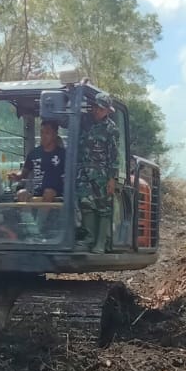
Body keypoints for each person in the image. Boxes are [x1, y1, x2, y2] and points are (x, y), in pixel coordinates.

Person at [76, 92, 120, 252]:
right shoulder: (84, 120)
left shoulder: (111, 129)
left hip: (101, 174)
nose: (98, 111)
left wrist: (111, 178)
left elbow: (114, 156)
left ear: (107, 111)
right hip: (83, 172)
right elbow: (66, 122)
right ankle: (89, 239)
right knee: (86, 203)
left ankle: (101, 243)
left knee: (104, 207)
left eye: (102, 109)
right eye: (97, 108)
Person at [19, 120, 66, 203]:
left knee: (48, 193)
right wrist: (16, 176)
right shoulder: (33, 154)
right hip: (36, 192)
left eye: (47, 133)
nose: (43, 136)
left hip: (57, 193)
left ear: (55, 135)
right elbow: (23, 174)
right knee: (21, 193)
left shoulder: (63, 154)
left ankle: (41, 216)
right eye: (42, 133)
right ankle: (26, 216)